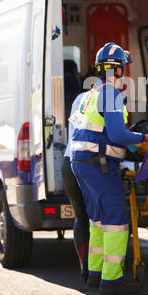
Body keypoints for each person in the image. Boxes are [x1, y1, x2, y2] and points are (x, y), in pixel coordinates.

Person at [69, 42, 148, 295]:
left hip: (82, 163)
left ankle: (95, 273)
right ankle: (112, 280)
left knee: (97, 219)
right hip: (98, 165)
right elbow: (116, 133)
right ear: (120, 69)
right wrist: (145, 138)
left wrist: (130, 141)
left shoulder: (91, 93)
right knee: (115, 219)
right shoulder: (111, 94)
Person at [62, 90, 90, 283]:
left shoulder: (80, 98)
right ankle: (97, 269)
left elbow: (75, 128)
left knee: (80, 215)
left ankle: (85, 267)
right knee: (96, 217)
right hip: (87, 162)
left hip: (68, 162)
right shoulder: (107, 97)